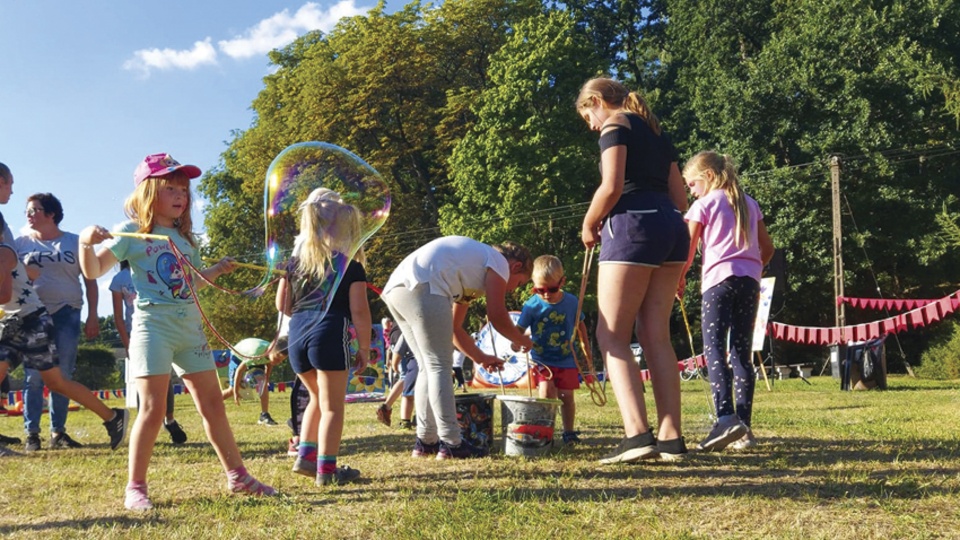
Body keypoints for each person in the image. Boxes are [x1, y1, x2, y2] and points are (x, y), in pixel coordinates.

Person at [79, 152, 275, 510]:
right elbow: (93, 271)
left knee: (213, 405)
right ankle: (136, 487)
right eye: (171, 188)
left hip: (190, 329)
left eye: (184, 189)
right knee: (153, 408)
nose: (180, 195)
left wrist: (216, 269)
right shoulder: (131, 233)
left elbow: (191, 283)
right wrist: (85, 243)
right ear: (148, 192)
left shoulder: (187, 240)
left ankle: (238, 476)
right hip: (153, 328)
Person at [576, 77, 691, 463]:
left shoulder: (615, 125)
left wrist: (589, 223)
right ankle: (671, 439)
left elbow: (611, 186)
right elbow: (681, 198)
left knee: (611, 335)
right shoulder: (657, 132)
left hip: (633, 227)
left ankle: (637, 435)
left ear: (596, 101)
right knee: (656, 334)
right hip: (673, 228)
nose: (591, 126)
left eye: (588, 116)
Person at [381, 236, 534, 460]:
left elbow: (454, 328)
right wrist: (521, 339)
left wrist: (480, 357)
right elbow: (497, 314)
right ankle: (452, 443)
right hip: (424, 285)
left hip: (397, 289)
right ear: (516, 267)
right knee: (439, 366)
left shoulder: (472, 268)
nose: (512, 290)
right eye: (518, 283)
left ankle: (426, 442)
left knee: (426, 366)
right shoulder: (499, 263)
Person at [0, 213, 128, 456]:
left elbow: (4, 295)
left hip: (30, 322)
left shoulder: (3, 253)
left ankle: (113, 417)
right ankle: (113, 417)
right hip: (17, 322)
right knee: (54, 382)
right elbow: (30, 275)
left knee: (56, 382)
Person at [680, 151, 775, 451]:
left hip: (718, 283)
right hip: (750, 282)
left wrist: (678, 279)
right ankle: (744, 430)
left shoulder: (704, 205)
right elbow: (768, 248)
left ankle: (725, 418)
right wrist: (753, 268)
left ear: (708, 177)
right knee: (742, 354)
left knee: (714, 349)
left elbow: (686, 250)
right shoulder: (749, 203)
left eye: (692, 184)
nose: (691, 192)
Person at [276, 187, 371, 486]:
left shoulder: (294, 264)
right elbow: (360, 311)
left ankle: (306, 458)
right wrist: (364, 348)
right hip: (328, 334)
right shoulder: (350, 266)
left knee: (316, 397)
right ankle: (327, 472)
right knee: (333, 406)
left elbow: (282, 305)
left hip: (297, 337)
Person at [14, 193, 99, 451]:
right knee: (34, 375)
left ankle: (58, 433)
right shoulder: (20, 244)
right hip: (32, 314)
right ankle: (32, 434)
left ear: (51, 214)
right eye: (27, 211)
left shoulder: (75, 242)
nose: (28, 215)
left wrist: (93, 315)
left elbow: (91, 280)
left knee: (63, 375)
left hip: (67, 312)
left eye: (34, 210)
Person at [111, 260, 187, 444]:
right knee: (143, 379)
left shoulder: (151, 267)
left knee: (165, 376)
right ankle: (145, 425)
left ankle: (169, 420)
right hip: (137, 334)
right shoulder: (119, 279)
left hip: (160, 328)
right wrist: (127, 343)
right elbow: (118, 316)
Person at [515, 255, 589, 445]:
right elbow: (519, 329)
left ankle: (569, 432)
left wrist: (586, 351)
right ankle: (544, 431)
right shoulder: (531, 306)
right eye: (540, 290)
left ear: (562, 282)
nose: (546, 294)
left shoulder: (572, 302)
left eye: (552, 289)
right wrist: (516, 342)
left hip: (566, 358)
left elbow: (581, 326)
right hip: (542, 359)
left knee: (567, 396)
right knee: (546, 394)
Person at [221, 336, 287, 426]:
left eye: (281, 361)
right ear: (270, 350)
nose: (278, 362)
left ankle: (264, 415)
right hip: (238, 356)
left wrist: (266, 379)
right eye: (277, 359)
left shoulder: (271, 354)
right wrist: (235, 392)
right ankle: (211, 402)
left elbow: (269, 364)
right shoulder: (255, 353)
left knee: (263, 383)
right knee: (231, 391)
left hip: (257, 358)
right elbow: (239, 371)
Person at [376, 324, 417, 430]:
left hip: (400, 340)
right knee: (406, 382)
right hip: (409, 345)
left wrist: (394, 364)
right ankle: (389, 409)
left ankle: (388, 408)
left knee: (406, 383)